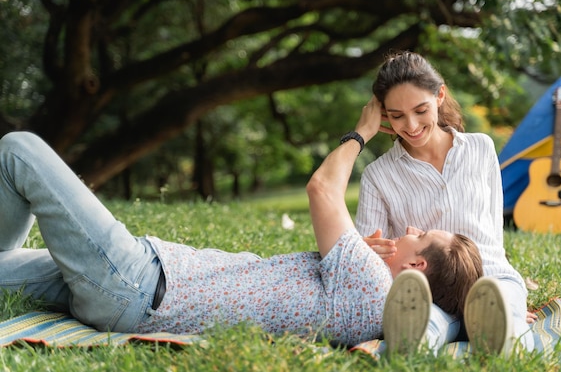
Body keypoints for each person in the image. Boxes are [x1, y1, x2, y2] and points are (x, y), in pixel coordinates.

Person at [0, 98, 481, 348]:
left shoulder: (372, 285)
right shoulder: (375, 300)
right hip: (139, 289)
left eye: (416, 236)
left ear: (416, 266)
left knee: (20, 148)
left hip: (135, 281)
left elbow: (321, 190)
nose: (407, 230)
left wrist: (363, 132)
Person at [356, 51, 536, 355]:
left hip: (489, 276)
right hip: (429, 286)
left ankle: (507, 331)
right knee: (422, 324)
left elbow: (492, 233)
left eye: (420, 110)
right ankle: (412, 344)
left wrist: (511, 302)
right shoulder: (378, 175)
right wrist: (368, 249)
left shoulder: (481, 148)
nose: (411, 126)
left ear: (440, 96)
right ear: (383, 114)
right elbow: (366, 256)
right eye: (397, 115)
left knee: (506, 316)